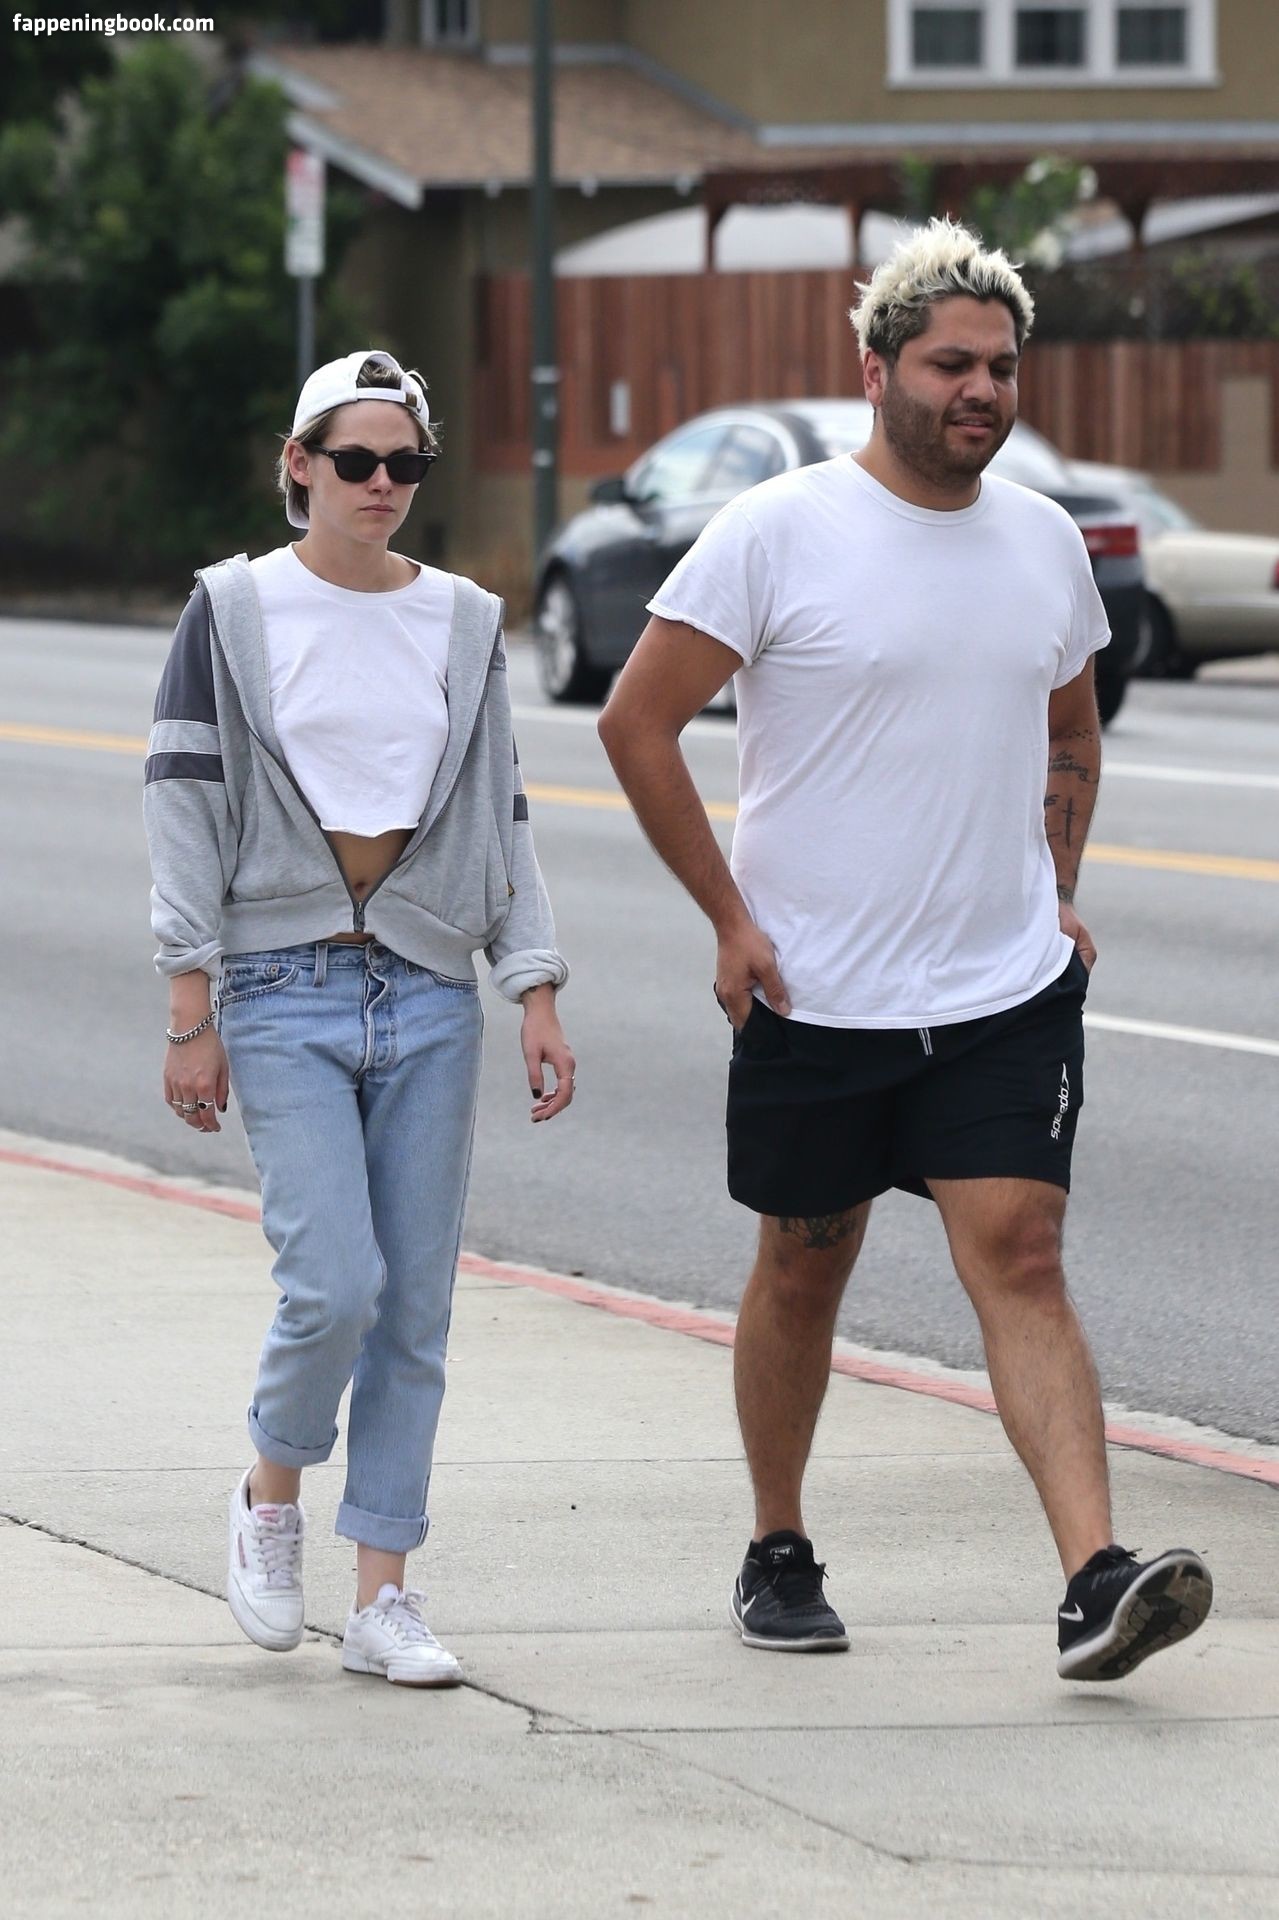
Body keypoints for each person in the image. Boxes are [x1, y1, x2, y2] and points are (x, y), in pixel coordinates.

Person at [599, 222, 1211, 1683]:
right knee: (803, 1268)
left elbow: (1072, 730)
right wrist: (731, 919)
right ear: (876, 371)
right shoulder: (777, 531)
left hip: (1000, 989)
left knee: (1025, 1254)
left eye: (1000, 366)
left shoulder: (1045, 541)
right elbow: (637, 723)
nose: (981, 389)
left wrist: (1057, 888)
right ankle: (778, 1543)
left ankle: (1095, 1581)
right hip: (817, 993)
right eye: (949, 365)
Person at [144, 348, 574, 1687]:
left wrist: (534, 984)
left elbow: (501, 808)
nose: (381, 484)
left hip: (432, 987)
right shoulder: (232, 609)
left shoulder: (463, 619)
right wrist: (189, 1003)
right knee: (336, 1286)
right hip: (280, 987)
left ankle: (384, 1593)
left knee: (415, 1312)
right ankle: (269, 1490)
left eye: (406, 464)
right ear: (299, 465)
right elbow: (183, 800)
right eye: (355, 461)